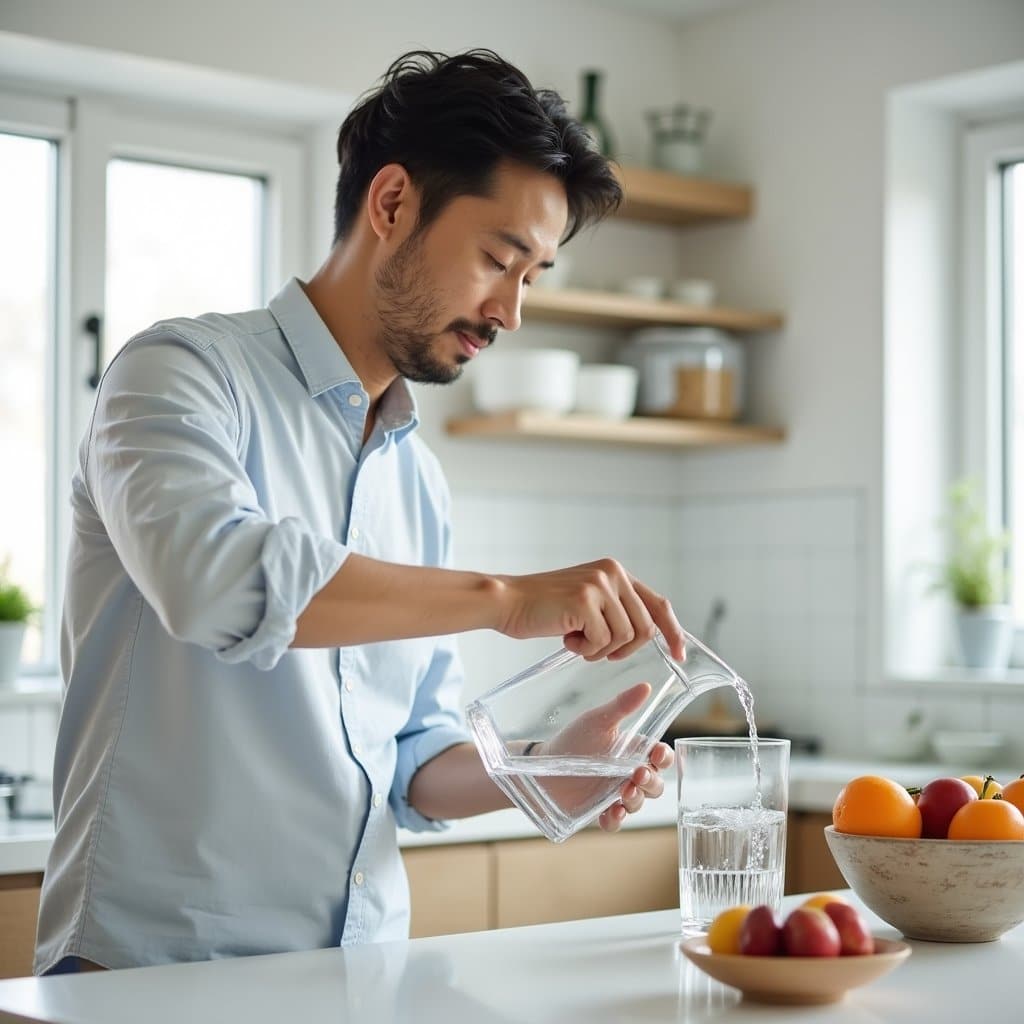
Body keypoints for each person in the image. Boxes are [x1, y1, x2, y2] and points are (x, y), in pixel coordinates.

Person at [35, 49, 684, 975]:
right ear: (391, 204)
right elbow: (215, 582)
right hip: (153, 979)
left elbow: (414, 762)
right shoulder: (178, 374)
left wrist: (545, 769)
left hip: (356, 978)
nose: (512, 310)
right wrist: (505, 598)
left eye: (533, 274)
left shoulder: (416, 481)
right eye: (499, 258)